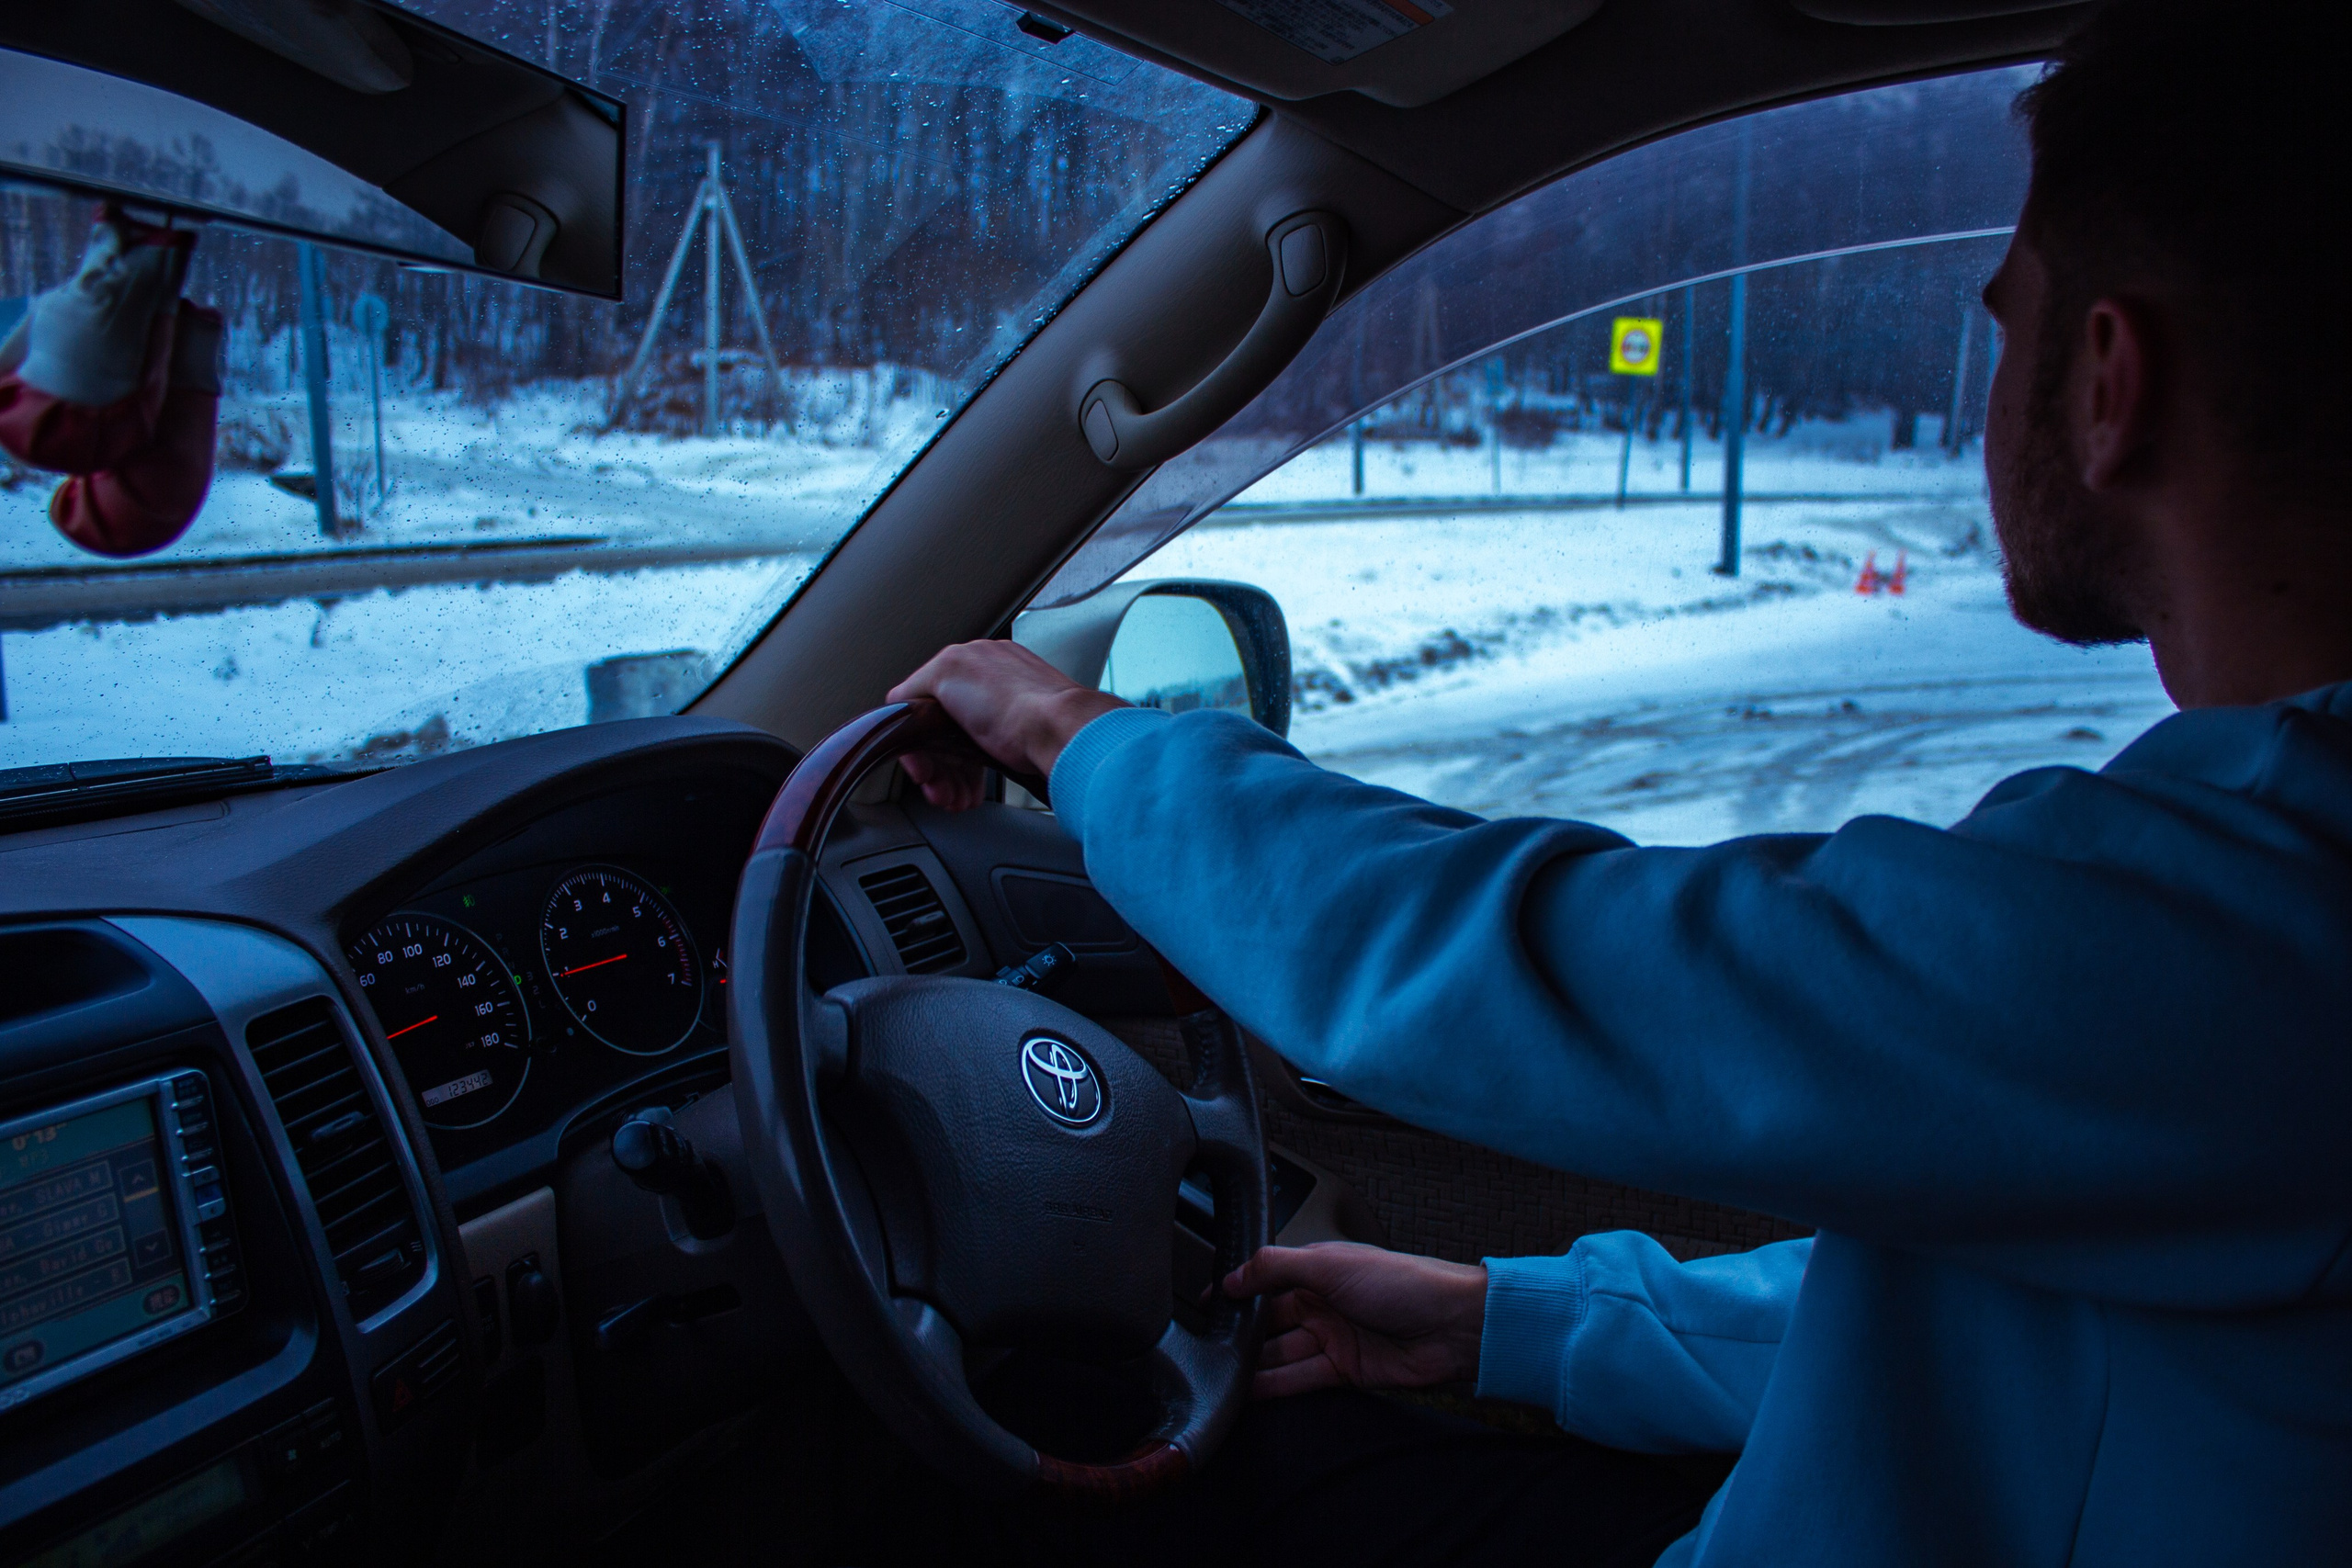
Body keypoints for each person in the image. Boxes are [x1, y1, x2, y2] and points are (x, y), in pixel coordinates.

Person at [893, 1, 2352, 1562]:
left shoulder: (2261, 922)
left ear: (2112, 378)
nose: (1990, 384)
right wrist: (1512, 1323)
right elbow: (2000, 1293)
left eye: (2004, 327)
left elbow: (1534, 958)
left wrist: (1069, 730)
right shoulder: (2255, 904)